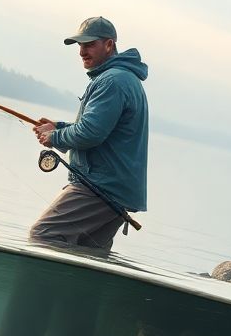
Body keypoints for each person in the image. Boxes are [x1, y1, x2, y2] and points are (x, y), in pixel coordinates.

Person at [29, 16, 148, 254]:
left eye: (89, 44)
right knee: (88, 255)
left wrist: (55, 137)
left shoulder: (112, 80)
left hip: (100, 186)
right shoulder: (122, 78)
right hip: (116, 190)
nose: (82, 51)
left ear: (109, 45)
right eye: (80, 45)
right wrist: (59, 126)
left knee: (43, 235)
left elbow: (91, 133)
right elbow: (102, 127)